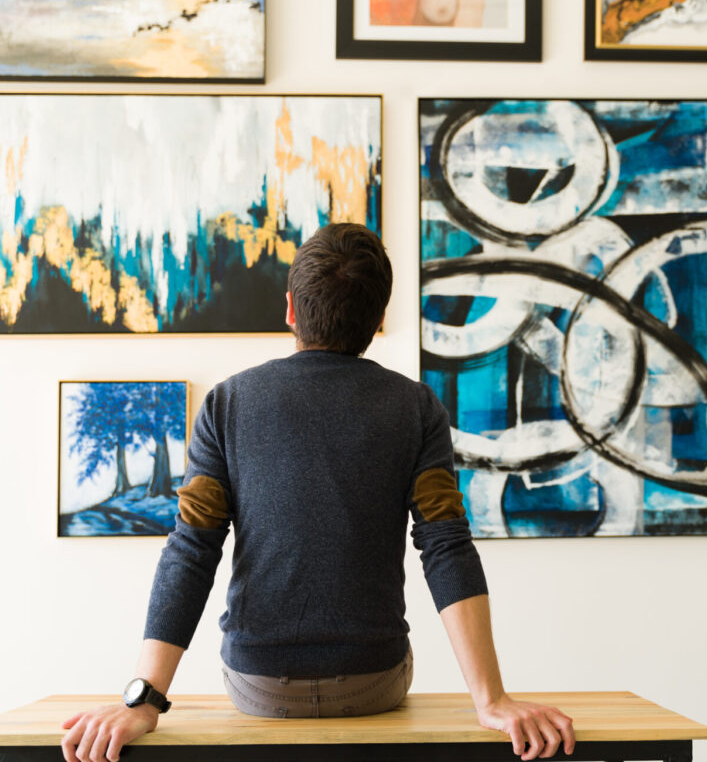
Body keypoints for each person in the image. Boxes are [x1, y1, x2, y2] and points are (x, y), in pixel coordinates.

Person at [60, 223, 575, 762]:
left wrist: (144, 700)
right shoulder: (417, 408)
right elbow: (446, 546)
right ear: (379, 320)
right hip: (373, 682)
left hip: (258, 684)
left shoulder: (226, 405)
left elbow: (191, 550)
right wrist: (491, 700)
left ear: (290, 309)